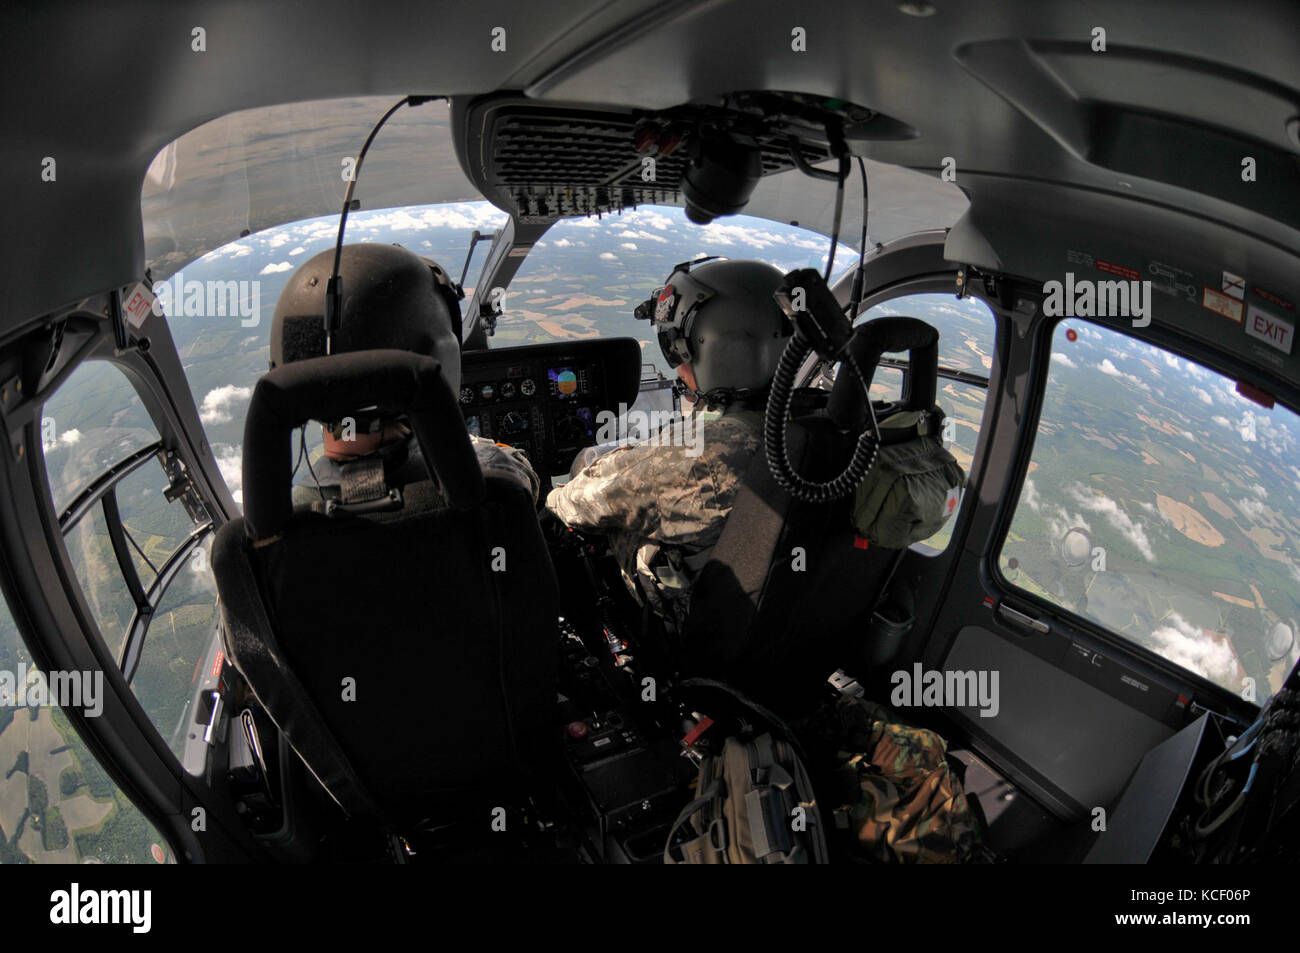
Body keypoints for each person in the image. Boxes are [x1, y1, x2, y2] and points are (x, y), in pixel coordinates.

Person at [545, 257, 791, 627]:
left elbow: (577, 504)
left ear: (719, 349)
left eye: (678, 350)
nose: (676, 365)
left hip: (696, 630)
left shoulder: (703, 452)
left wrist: (558, 483)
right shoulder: (818, 427)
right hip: (785, 616)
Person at [268, 242, 540, 507]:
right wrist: (464, 445)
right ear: (440, 362)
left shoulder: (285, 524)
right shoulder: (494, 478)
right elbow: (526, 485)